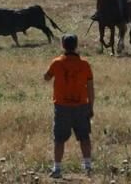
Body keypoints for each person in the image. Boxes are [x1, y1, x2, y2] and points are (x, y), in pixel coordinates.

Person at [44, 34, 94, 179]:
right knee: (84, 137)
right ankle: (88, 166)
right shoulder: (85, 64)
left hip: (62, 106)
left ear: (63, 45)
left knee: (59, 139)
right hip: (81, 105)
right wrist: (91, 106)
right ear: (76, 45)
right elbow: (90, 87)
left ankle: (57, 168)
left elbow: (46, 77)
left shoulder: (57, 63)